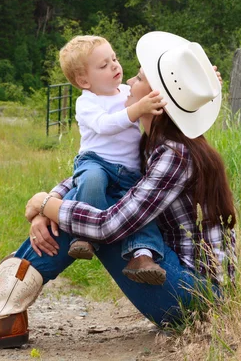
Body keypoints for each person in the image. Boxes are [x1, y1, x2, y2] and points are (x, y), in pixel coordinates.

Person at [0, 31, 236, 350]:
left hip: (193, 298)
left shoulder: (174, 156)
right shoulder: (152, 144)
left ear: (154, 98)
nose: (128, 79)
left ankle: (1, 312)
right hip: (183, 285)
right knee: (88, 202)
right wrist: (54, 199)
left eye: (139, 76)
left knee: (94, 218)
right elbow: (100, 170)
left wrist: (45, 205)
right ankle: (1, 311)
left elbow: (108, 225)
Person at [58, 35, 167, 285]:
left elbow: (162, 94)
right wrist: (137, 109)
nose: (115, 66)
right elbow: (104, 125)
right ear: (84, 80)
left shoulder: (129, 92)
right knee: (92, 181)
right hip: (97, 161)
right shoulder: (87, 103)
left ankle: (142, 255)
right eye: (104, 65)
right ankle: (85, 236)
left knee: (141, 206)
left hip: (129, 169)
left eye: (114, 59)